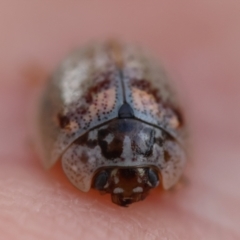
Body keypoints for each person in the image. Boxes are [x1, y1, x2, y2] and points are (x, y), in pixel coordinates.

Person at [0, 1, 239, 239]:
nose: (127, 193)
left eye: (105, 177)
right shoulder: (164, 141)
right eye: (150, 178)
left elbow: (50, 134)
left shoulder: (78, 137)